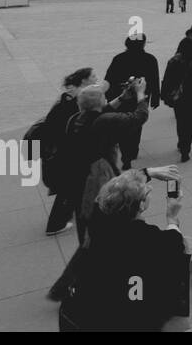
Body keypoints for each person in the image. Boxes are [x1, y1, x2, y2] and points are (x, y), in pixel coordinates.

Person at [47, 79, 160, 301]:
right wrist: (140, 95)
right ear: (100, 103)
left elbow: (102, 111)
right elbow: (138, 117)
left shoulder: (76, 120)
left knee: (89, 237)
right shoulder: (103, 121)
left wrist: (122, 97)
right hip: (96, 184)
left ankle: (69, 285)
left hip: (77, 185)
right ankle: (67, 286)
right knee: (95, 239)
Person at [57, 168, 188, 332]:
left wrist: (148, 173)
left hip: (75, 315)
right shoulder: (150, 238)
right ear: (141, 205)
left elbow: (116, 188)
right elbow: (175, 245)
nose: (150, 189)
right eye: (147, 192)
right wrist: (172, 217)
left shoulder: (98, 220)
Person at [38, 67, 94, 236]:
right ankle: (56, 224)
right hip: (66, 154)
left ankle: (72, 214)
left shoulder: (66, 98)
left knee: (73, 187)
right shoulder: (75, 102)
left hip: (61, 153)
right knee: (68, 188)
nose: (96, 78)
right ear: (84, 80)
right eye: (93, 76)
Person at [102, 32, 161, 171]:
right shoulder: (150, 59)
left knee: (121, 124)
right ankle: (131, 152)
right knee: (136, 125)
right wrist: (156, 98)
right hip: (139, 98)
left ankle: (125, 153)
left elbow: (109, 78)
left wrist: (109, 98)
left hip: (121, 98)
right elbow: (154, 80)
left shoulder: (119, 58)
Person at [161, 36, 192, 162]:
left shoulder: (174, 61)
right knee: (189, 123)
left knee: (180, 122)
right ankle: (186, 148)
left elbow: (167, 80)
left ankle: (181, 142)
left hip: (179, 97)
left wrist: (165, 94)